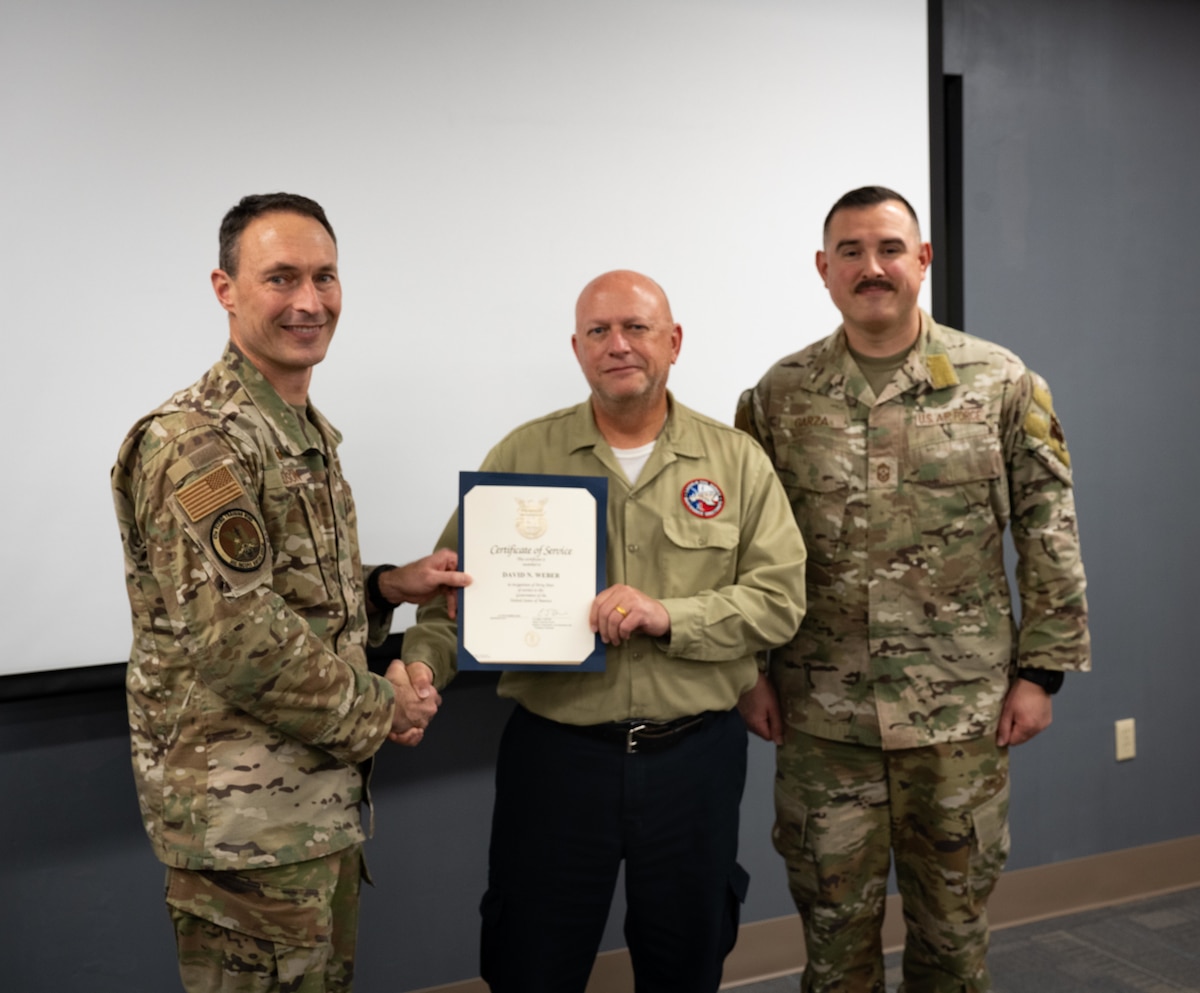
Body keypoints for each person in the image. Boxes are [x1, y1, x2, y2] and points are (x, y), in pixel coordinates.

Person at [400, 270, 808, 993]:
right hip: (559, 759)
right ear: (578, 348)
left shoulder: (736, 462)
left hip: (693, 758)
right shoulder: (522, 456)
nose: (617, 345)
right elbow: (447, 601)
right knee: (532, 961)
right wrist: (426, 666)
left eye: (636, 328)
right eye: (598, 332)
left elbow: (780, 599)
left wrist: (669, 615)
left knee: (684, 961)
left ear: (673, 341)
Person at [736, 186, 1091, 992]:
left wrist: (1041, 673)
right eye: (852, 252)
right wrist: (748, 670)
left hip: (959, 716)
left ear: (922, 260)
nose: (873, 267)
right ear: (823, 269)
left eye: (890, 248)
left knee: (954, 938)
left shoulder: (998, 381)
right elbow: (749, 548)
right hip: (822, 717)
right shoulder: (779, 395)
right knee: (832, 941)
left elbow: (1048, 526)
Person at [111, 192, 469, 992]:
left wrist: (384, 587)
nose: (309, 301)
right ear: (225, 287)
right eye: (280, 278)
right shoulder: (196, 442)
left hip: (308, 813)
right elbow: (238, 637)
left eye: (325, 276)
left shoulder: (299, 428)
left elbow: (295, 597)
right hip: (245, 833)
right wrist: (387, 708)